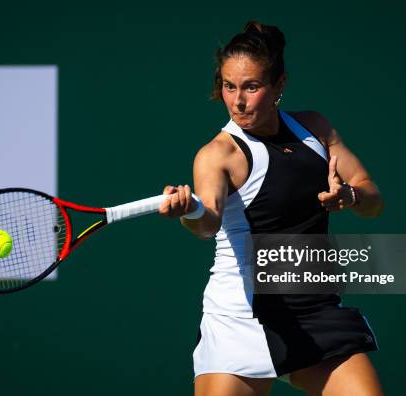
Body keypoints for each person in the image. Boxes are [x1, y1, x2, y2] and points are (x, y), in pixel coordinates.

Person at [159, 21, 385, 396]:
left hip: (314, 311)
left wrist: (351, 196)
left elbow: (372, 198)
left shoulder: (315, 128)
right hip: (242, 318)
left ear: (279, 85)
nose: (238, 101)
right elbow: (207, 223)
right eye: (229, 87)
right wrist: (188, 210)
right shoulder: (218, 154)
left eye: (251, 86)